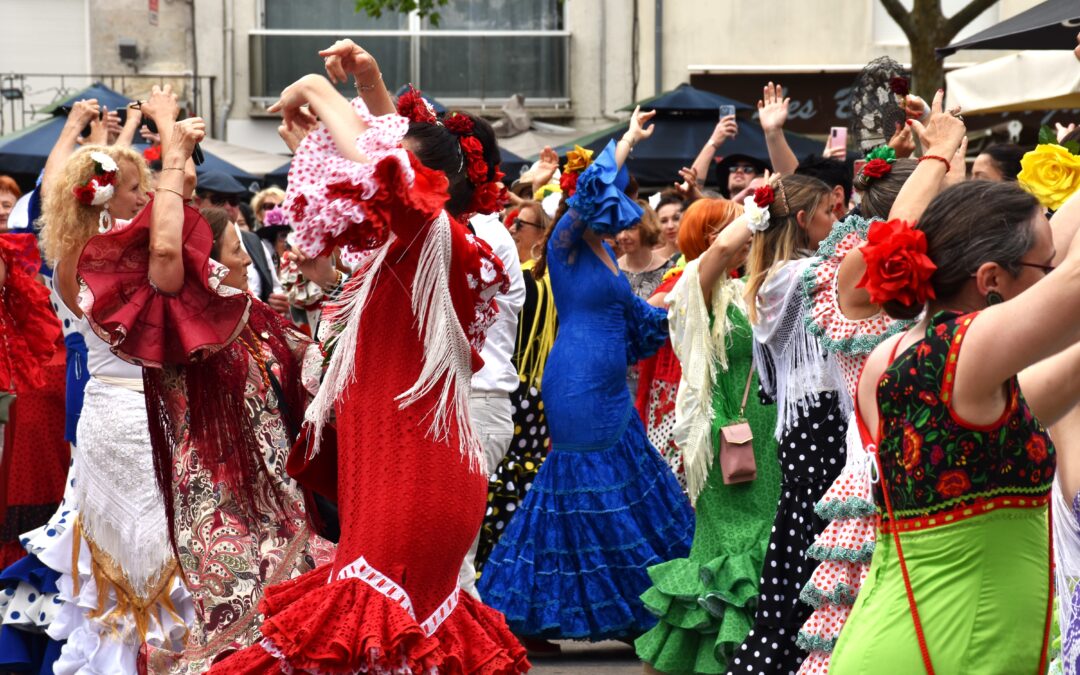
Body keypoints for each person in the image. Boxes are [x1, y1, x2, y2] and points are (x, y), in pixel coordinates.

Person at [207, 38, 527, 674]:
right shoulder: (405, 245)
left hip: (412, 471)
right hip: (391, 466)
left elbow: (388, 167)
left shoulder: (444, 241)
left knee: (371, 637)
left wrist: (318, 91)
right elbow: (387, 163)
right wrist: (368, 84)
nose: (369, 171)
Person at [78, 103, 337, 672]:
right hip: (222, 506)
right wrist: (169, 151)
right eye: (234, 249)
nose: (247, 256)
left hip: (279, 500)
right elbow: (169, 247)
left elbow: (323, 369)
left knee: (300, 629)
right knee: (251, 641)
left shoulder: (250, 312)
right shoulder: (175, 310)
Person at [829, 177, 1079, 674]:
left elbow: (1047, 385)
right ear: (990, 280)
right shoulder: (961, 352)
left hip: (916, 642)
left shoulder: (904, 355)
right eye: (1044, 268)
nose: (1052, 277)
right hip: (947, 651)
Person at [477, 108, 695, 645]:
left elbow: (636, 325)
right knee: (587, 486)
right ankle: (608, 608)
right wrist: (626, 143)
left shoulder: (607, 255)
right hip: (575, 382)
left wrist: (685, 305)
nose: (621, 220)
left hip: (608, 385)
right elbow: (589, 190)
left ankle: (629, 608)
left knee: (624, 483)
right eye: (613, 202)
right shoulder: (564, 245)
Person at [36, 139, 191, 672]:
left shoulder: (66, 260)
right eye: (133, 188)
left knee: (125, 546)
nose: (144, 196)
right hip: (137, 417)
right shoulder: (131, 263)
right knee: (148, 546)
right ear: (104, 199)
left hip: (105, 414)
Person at [635, 196, 782, 674]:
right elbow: (719, 254)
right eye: (728, 227)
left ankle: (756, 654)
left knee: (769, 541)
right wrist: (754, 211)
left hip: (768, 431)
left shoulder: (749, 288)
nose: (741, 235)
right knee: (728, 546)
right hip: (725, 435)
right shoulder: (689, 287)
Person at [716, 172, 848, 675]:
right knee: (818, 522)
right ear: (801, 219)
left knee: (803, 522)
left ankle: (790, 644)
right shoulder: (800, 276)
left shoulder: (777, 274)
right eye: (828, 212)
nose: (835, 220)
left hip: (802, 421)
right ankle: (804, 645)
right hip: (818, 418)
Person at [634, 198, 742, 488]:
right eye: (736, 229)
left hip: (718, 406)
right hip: (676, 406)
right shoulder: (679, 284)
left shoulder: (734, 284)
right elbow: (634, 335)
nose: (748, 237)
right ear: (711, 239)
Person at [475, 202, 558, 573]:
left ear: (541, 232)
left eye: (519, 223)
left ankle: (491, 570)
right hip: (537, 393)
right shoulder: (552, 278)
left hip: (513, 389)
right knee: (520, 478)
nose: (511, 227)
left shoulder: (521, 280)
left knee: (499, 481)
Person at [458, 205, 526, 599]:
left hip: (477, 401)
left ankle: (472, 654)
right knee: (446, 551)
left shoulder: (487, 234)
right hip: (460, 401)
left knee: (455, 551)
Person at [194, 171, 290, 314]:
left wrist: (280, 303)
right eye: (218, 199)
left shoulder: (253, 240)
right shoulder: (190, 243)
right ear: (198, 202)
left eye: (233, 201)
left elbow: (275, 290)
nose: (227, 207)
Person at [618, 201, 675, 300]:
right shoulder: (612, 270)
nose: (623, 236)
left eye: (631, 228)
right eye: (619, 228)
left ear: (647, 228)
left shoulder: (670, 272)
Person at [654, 192, 686, 262]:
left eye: (676, 218)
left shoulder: (698, 255)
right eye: (664, 221)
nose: (670, 226)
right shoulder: (650, 259)